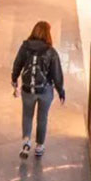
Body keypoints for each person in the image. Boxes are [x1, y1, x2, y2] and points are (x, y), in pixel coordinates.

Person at [11, 20, 66, 159]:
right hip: (45, 90)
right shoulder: (51, 51)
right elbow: (57, 73)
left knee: (27, 115)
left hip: (28, 89)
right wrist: (61, 91)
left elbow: (17, 64)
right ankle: (39, 146)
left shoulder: (25, 47)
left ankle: (26, 141)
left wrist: (14, 79)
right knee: (42, 118)